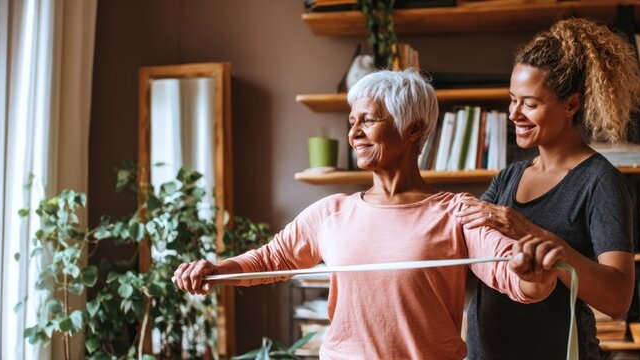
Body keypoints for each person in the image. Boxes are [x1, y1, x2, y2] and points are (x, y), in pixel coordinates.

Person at [173, 69, 567, 359]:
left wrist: (536, 277)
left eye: (369, 120)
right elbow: (269, 260)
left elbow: (516, 280)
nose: (354, 133)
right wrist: (216, 269)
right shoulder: (330, 212)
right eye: (352, 122)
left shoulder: (456, 212)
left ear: (413, 129)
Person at [456, 18, 640, 359]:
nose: (514, 114)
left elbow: (618, 299)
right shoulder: (507, 178)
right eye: (512, 99)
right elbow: (470, 260)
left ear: (571, 105)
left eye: (530, 103)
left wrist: (533, 233)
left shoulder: (600, 181)